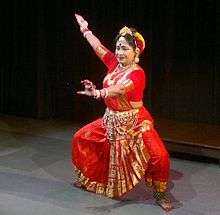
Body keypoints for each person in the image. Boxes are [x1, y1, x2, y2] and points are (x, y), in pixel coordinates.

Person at [72, 13, 173, 212]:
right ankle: (95, 181)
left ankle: (160, 193)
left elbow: (121, 89)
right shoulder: (114, 64)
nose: (119, 52)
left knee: (160, 156)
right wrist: (85, 30)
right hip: (110, 119)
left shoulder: (137, 73)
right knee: (80, 138)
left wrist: (99, 92)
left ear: (136, 52)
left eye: (124, 48)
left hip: (135, 121)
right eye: (118, 47)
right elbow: (98, 47)